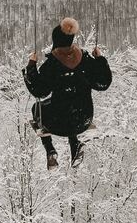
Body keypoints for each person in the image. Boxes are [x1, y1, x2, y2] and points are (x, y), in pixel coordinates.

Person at [23, 17, 112, 169]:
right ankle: (75, 146)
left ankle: (50, 149)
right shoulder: (85, 59)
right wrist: (100, 59)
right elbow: (103, 83)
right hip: (84, 120)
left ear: (55, 41)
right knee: (72, 106)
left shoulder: (52, 64)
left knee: (37, 107)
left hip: (57, 124)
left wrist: (32, 66)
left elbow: (39, 91)